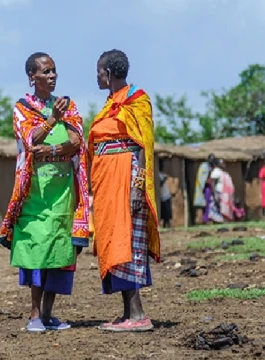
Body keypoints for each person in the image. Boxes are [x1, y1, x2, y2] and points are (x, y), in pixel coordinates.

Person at [0, 52, 91, 333]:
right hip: (35, 191)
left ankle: (50, 314)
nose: (52, 76)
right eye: (46, 72)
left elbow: (77, 140)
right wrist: (53, 120)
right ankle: (34, 315)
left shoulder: (68, 105)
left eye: (54, 71)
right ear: (32, 77)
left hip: (64, 190)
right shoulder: (22, 108)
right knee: (37, 249)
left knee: (61, 249)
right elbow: (29, 140)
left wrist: (52, 150)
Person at [89, 49, 160, 332]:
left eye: (98, 71)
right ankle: (127, 312)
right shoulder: (109, 105)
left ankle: (139, 315)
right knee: (112, 240)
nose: (96, 76)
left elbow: (143, 147)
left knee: (127, 243)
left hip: (127, 179)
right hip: (108, 182)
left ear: (107, 73)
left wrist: (137, 187)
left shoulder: (137, 102)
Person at [193, 154, 215, 224]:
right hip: (203, 187)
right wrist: (205, 182)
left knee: (207, 203)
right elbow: (202, 177)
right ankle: (201, 219)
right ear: (208, 159)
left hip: (207, 187)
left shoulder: (210, 166)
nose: (212, 160)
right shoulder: (204, 166)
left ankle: (206, 219)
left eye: (213, 159)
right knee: (202, 204)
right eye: (211, 159)